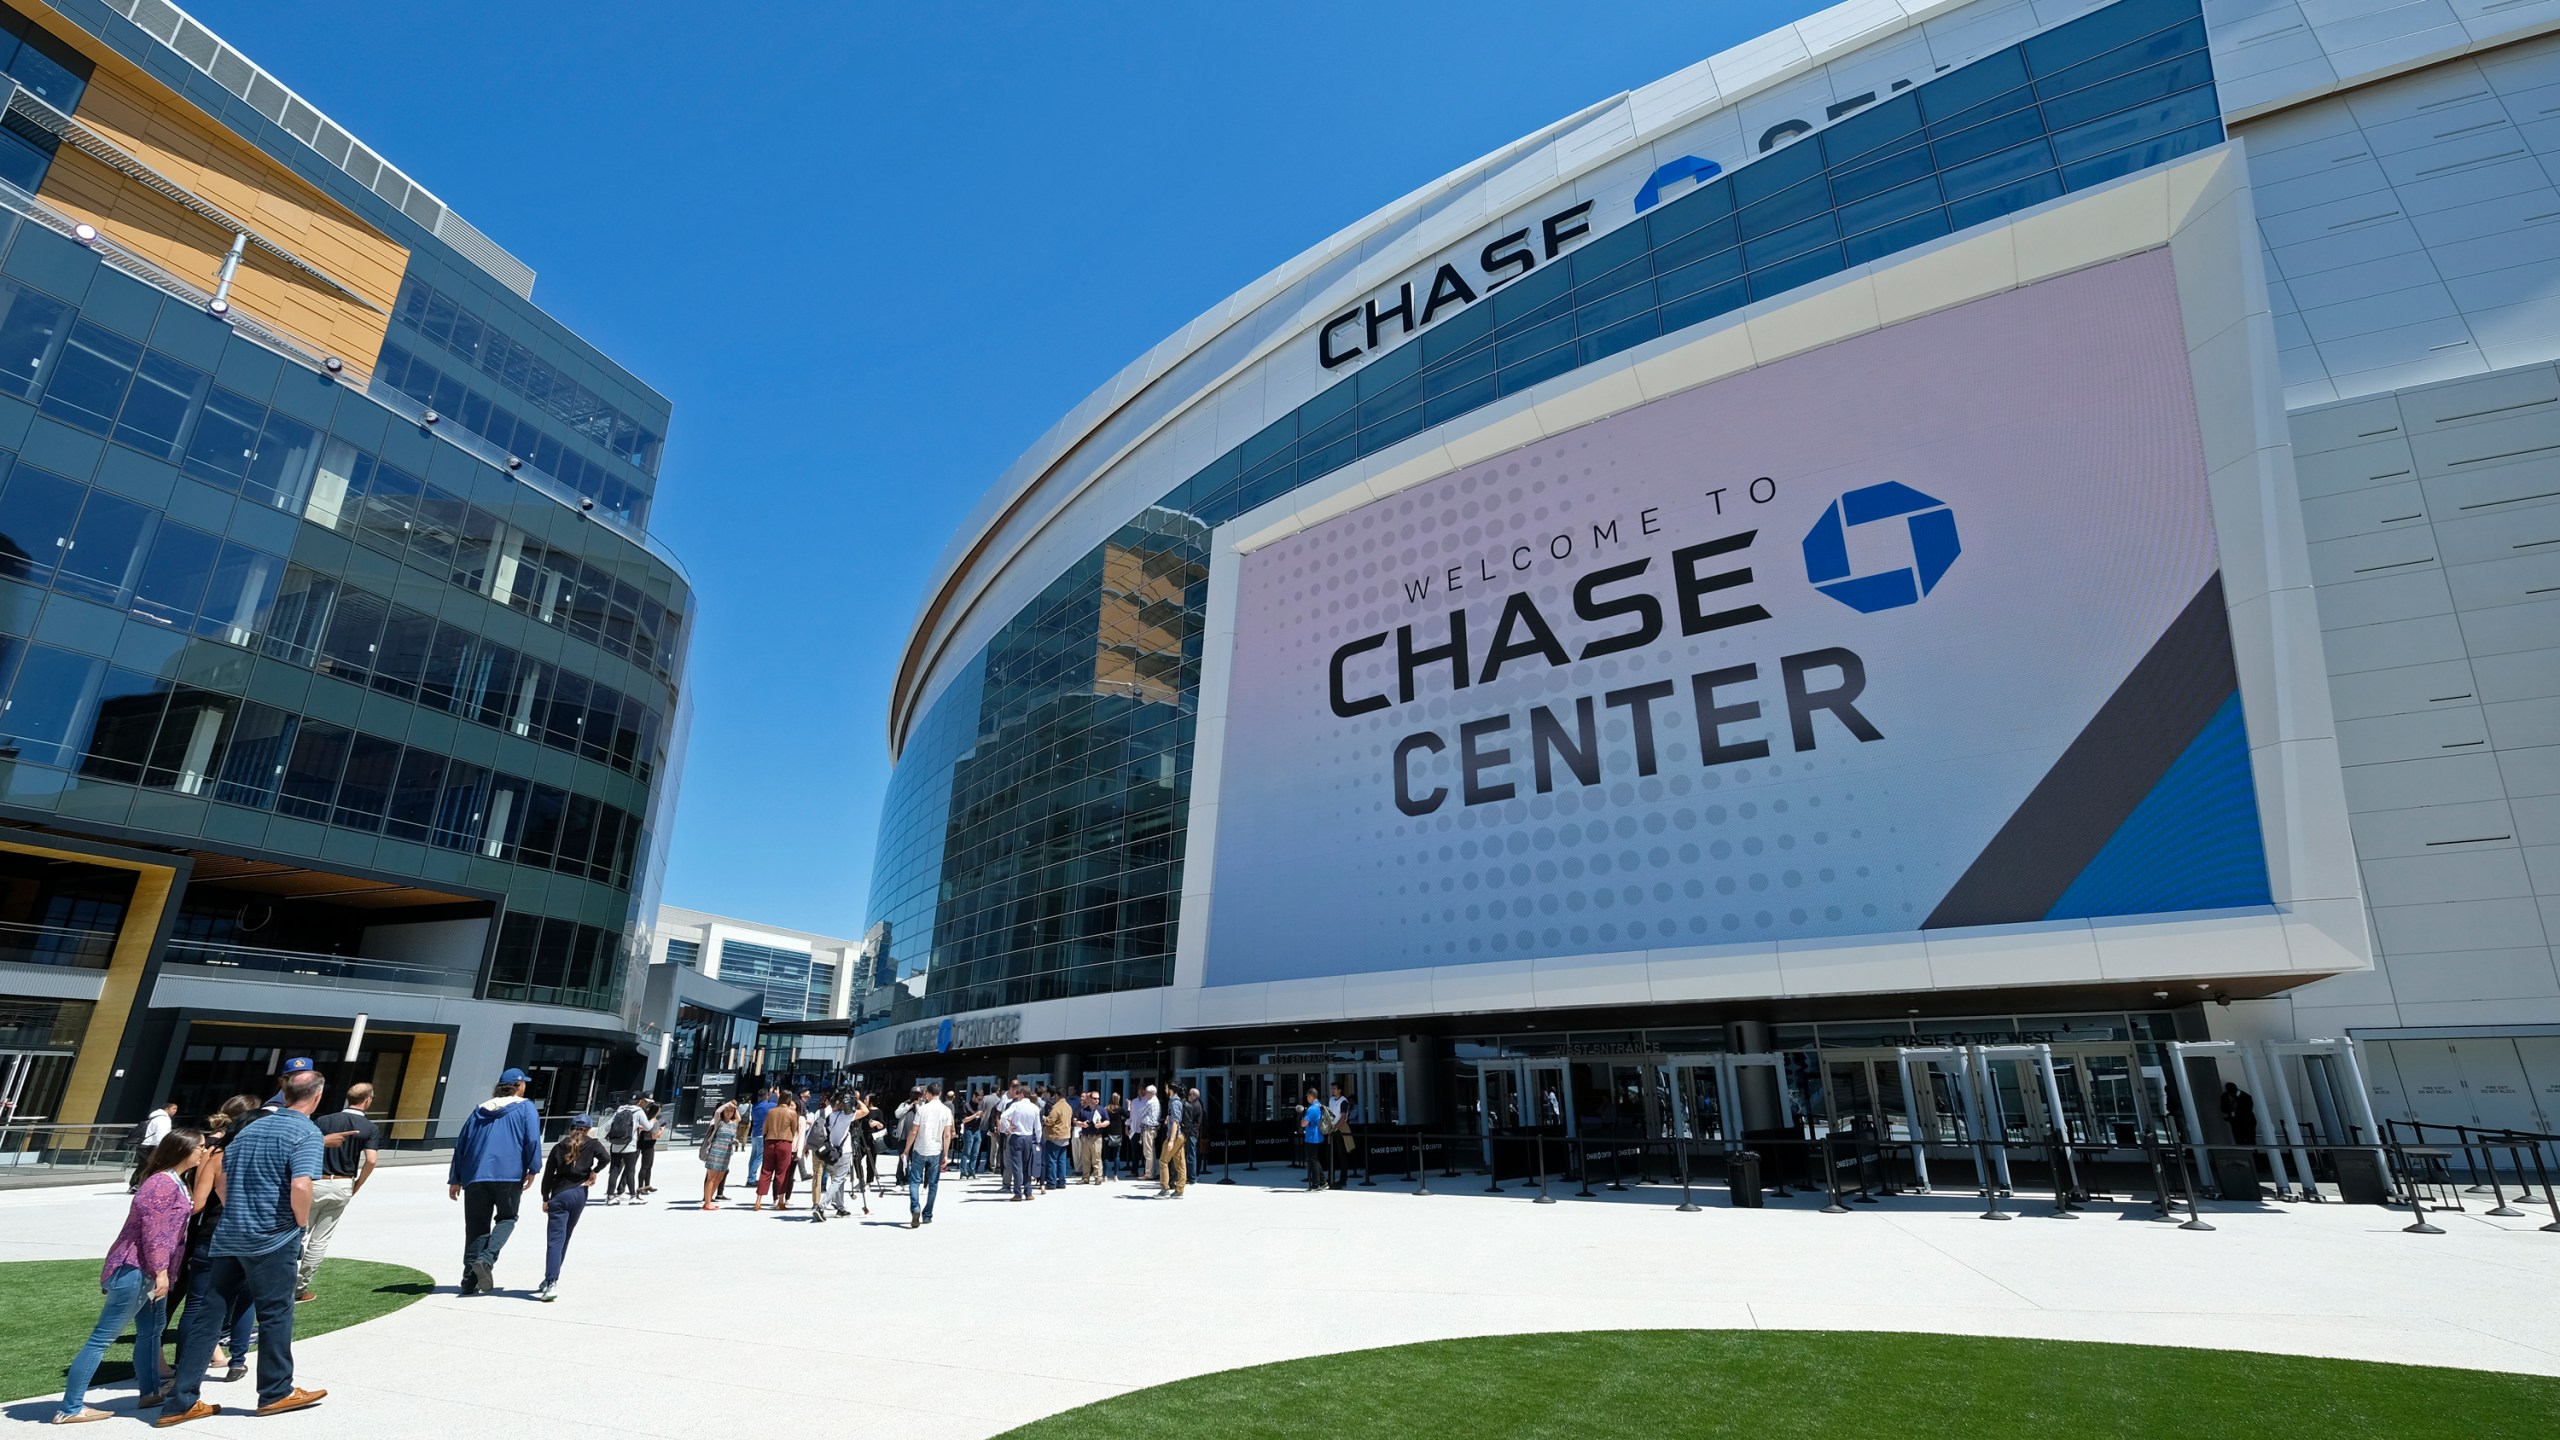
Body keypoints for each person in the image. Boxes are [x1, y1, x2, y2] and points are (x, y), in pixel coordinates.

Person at [159, 1069, 328, 1427]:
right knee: (276, 1314)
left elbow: (222, 1182)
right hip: (272, 1237)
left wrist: (238, 1211)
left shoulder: (247, 1130)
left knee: (208, 1315)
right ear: (316, 1097)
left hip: (229, 1234)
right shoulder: (306, 1132)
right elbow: (301, 1186)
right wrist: (298, 1223)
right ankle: (276, 1392)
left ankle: (181, 1400)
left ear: (284, 1094)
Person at [56, 1128, 202, 1421]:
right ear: (183, 1149)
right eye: (200, 1146)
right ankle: (70, 1408)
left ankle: (150, 1393)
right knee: (102, 1338)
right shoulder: (162, 1184)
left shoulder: (175, 1182)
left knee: (151, 1332)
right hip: (135, 1270)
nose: (204, 1150)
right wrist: (162, 1273)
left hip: (149, 1272)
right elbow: (155, 1234)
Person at [447, 1068, 542, 1296]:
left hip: (475, 1175)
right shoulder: (526, 1107)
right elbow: (531, 1139)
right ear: (518, 1086)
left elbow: (462, 1144)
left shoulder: (479, 1109)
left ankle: (468, 1280)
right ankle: (486, 1260)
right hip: (509, 1174)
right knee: (507, 1218)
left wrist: (455, 1178)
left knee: (476, 1227)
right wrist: (533, 1167)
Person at [296, 1082, 378, 1303]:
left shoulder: (323, 1120)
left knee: (299, 1234)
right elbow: (371, 1159)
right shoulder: (369, 1127)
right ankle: (299, 1288)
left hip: (316, 1180)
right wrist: (358, 1183)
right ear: (368, 1100)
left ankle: (280, 1282)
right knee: (320, 1240)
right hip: (343, 1183)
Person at [535, 1116, 607, 1302]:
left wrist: (545, 1198)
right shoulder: (593, 1144)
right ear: (589, 1129)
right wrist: (594, 1171)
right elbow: (606, 1158)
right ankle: (551, 1278)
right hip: (579, 1193)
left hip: (560, 1194)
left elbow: (548, 1175)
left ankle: (551, 1281)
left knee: (555, 1240)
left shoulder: (559, 1146)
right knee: (565, 1237)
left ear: (570, 1128)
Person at [903, 1082, 955, 1226]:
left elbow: (914, 1131)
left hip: (920, 1148)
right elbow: (947, 1135)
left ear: (929, 1094)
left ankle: (915, 1207)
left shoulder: (922, 1109)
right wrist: (945, 1154)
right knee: (933, 1184)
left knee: (914, 1181)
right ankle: (927, 1215)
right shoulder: (946, 1111)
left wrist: (906, 1150)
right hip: (936, 1150)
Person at [811, 1093, 861, 1220]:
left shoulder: (830, 1115)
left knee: (838, 1180)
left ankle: (840, 1207)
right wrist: (857, 1100)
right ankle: (821, 1206)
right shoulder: (847, 1116)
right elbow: (865, 1111)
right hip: (844, 1151)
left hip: (832, 1152)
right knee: (838, 1179)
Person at [754, 1092, 801, 1211]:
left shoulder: (771, 1111)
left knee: (765, 1171)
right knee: (782, 1173)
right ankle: (781, 1201)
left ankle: (758, 1201)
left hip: (770, 1141)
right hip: (785, 1142)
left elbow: (764, 1128)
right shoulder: (792, 1113)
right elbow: (794, 1129)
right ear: (789, 1100)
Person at [999, 1084, 1041, 1201]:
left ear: (1021, 1094)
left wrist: (1008, 1127)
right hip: (1029, 1137)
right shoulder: (1035, 1108)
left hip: (1017, 1136)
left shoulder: (1016, 1105)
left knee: (1017, 1166)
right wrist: (1038, 1140)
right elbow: (1038, 1127)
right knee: (1028, 1166)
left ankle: (1018, 1193)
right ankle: (1028, 1192)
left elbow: (1003, 1116)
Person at [602, 1095, 647, 1205]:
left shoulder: (620, 1109)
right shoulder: (639, 1111)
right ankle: (632, 1196)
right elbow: (648, 1126)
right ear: (640, 1101)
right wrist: (638, 1126)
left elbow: (607, 1127)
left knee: (614, 1170)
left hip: (616, 1144)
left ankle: (610, 1196)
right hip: (630, 1144)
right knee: (630, 1170)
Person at [127, 1101, 177, 1192]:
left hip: (143, 1145)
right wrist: (163, 1147)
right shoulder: (164, 1119)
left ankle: (135, 1185)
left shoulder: (155, 1117)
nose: (175, 1111)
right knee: (152, 1166)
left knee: (143, 1166)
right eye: (173, 1108)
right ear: (166, 1109)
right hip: (153, 1146)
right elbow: (162, 1134)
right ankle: (143, 1185)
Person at [698, 1100, 739, 1210]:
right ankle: (707, 1203)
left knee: (719, 1177)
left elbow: (738, 1118)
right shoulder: (719, 1121)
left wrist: (735, 1107)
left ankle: (709, 1199)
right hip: (715, 1151)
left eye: (731, 1111)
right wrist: (728, 1104)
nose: (729, 1112)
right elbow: (717, 1112)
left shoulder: (734, 1123)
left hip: (726, 1153)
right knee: (711, 1177)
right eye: (727, 1111)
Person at [745, 1087, 780, 1188]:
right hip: (762, 1135)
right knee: (759, 1158)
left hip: (755, 1134)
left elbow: (765, 1102)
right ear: (766, 1096)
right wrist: (777, 1095)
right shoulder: (770, 1106)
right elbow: (782, 1105)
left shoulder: (755, 1106)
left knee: (753, 1157)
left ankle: (750, 1176)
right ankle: (751, 1179)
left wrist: (769, 1093)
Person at [1328, 1082, 1361, 1189]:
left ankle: (1343, 1179)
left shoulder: (1343, 1101)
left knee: (1342, 1154)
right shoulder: (1331, 1100)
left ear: (1340, 1090)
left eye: (1334, 1088)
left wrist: (1336, 1127)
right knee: (1331, 1154)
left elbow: (1343, 1117)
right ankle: (1330, 1177)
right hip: (1332, 1127)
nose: (1333, 1090)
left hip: (1341, 1128)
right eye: (1332, 1088)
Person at [1041, 1086, 1073, 1191]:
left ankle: (1051, 1182)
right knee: (1062, 1160)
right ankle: (1062, 1182)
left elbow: (1050, 1121)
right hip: (1065, 1136)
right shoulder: (1069, 1107)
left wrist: (1043, 1118)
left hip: (1055, 1136)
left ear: (1057, 1096)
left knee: (1052, 1160)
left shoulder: (1056, 1107)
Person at [1159, 1087, 1188, 1197]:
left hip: (1175, 1136)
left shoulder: (1174, 1102)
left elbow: (1176, 1122)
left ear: (1171, 1090)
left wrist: (1171, 1140)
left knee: (1163, 1161)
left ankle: (1165, 1188)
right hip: (1180, 1136)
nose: (1165, 1090)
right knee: (1180, 1163)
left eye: (1166, 1088)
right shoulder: (1178, 1101)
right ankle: (1179, 1190)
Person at [1072, 1090, 1106, 1184]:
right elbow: (1076, 1122)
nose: (1097, 1100)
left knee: (1097, 1158)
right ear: (1090, 1099)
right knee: (1085, 1158)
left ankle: (1098, 1177)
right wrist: (1082, 1124)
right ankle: (1085, 1177)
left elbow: (1107, 1121)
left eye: (1098, 1098)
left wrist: (1101, 1125)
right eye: (1094, 1098)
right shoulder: (1083, 1110)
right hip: (1085, 1137)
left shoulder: (1101, 1110)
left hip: (1096, 1137)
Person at [1129, 1085, 1161, 1182]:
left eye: (1147, 1092)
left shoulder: (1150, 1102)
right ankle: (1153, 1172)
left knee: (1148, 1152)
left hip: (1148, 1128)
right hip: (1153, 1128)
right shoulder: (1156, 1100)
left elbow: (1140, 1114)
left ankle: (1149, 1173)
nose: (1145, 1094)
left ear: (1151, 1093)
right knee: (1152, 1151)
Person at [637, 1099, 666, 1195]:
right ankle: (641, 1187)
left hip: (643, 1142)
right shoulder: (654, 1121)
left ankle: (647, 1185)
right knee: (646, 1166)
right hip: (649, 1144)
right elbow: (655, 1135)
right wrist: (662, 1130)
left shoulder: (646, 1118)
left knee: (648, 1165)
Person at [1301, 1087, 1328, 1191]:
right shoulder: (1320, 1106)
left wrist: (1302, 1121)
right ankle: (1323, 1182)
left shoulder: (1312, 1108)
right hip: (1319, 1136)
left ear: (1311, 1096)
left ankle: (1316, 1184)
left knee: (1312, 1161)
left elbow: (1304, 1123)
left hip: (1312, 1137)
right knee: (1315, 1160)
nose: (1307, 1098)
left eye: (1307, 1096)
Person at [2220, 1082, 2259, 1146]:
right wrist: (2230, 1109)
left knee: (2250, 1140)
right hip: (2235, 1122)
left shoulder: (2246, 1097)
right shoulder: (2225, 1097)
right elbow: (2223, 1109)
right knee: (2239, 1140)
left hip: (2247, 1122)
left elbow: (2248, 1109)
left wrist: (2237, 1102)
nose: (2231, 1094)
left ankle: (2252, 1152)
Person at [1185, 1086, 1209, 1179]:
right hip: (1196, 1134)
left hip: (1193, 1133)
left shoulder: (1195, 1106)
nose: (1188, 1096)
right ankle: (1193, 1174)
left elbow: (1191, 1121)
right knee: (1194, 1154)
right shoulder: (1198, 1105)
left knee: (1192, 1155)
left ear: (1194, 1096)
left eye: (1189, 1095)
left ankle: (1192, 1176)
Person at [1106, 1091, 1129, 1178]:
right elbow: (1128, 1115)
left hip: (1107, 1132)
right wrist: (1129, 1106)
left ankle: (1105, 1175)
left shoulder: (1106, 1109)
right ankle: (1115, 1175)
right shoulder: (1120, 1109)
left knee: (1106, 1155)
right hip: (1117, 1133)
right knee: (1116, 1155)